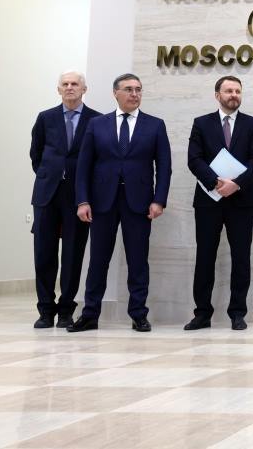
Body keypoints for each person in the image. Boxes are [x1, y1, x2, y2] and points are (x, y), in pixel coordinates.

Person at [69, 73, 171, 333]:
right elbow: (83, 167)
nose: (134, 94)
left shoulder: (155, 125)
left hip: (139, 203)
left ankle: (138, 314)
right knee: (98, 260)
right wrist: (82, 201)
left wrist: (159, 200)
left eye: (138, 89)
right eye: (128, 89)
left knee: (138, 261)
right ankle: (90, 314)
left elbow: (164, 166)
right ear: (116, 93)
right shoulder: (97, 124)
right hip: (102, 202)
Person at [184, 76, 253, 331]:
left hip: (242, 201)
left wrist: (236, 184)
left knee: (241, 257)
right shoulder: (201, 123)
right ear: (217, 95)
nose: (234, 95)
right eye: (228, 91)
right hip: (209, 200)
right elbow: (194, 159)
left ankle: (237, 313)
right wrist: (216, 182)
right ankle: (202, 314)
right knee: (205, 256)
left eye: (238, 91)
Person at [29, 71, 101, 328]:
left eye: (75, 84)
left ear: (84, 89)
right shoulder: (45, 118)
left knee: (73, 254)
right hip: (47, 194)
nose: (70, 87)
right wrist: (50, 175)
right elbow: (36, 154)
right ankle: (45, 310)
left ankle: (66, 310)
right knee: (44, 253)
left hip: (78, 197)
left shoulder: (97, 120)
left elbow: (98, 158)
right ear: (58, 89)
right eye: (65, 84)